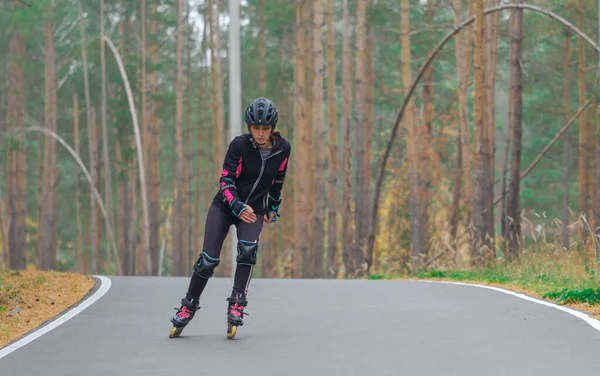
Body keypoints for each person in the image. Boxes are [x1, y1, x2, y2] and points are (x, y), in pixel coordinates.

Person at [169, 97, 291, 339]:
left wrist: (272, 207)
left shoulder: (283, 148)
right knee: (208, 261)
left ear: (272, 127)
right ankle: (188, 305)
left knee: (247, 251)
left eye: (265, 128)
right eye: (255, 128)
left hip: (254, 209)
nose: (260, 133)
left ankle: (237, 302)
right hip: (225, 207)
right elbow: (226, 181)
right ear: (249, 127)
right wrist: (237, 206)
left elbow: (278, 180)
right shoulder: (239, 145)